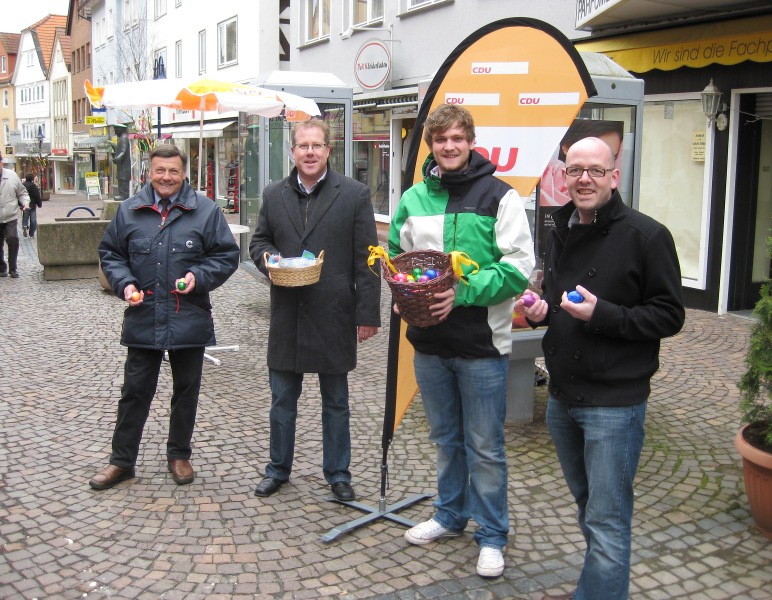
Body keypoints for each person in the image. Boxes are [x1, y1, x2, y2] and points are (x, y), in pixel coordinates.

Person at [516, 137, 685, 600]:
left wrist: (603, 314)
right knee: (590, 508)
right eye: (575, 170)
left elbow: (670, 316)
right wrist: (542, 309)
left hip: (614, 404)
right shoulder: (562, 228)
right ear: (563, 176)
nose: (584, 179)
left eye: (594, 170)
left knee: (607, 520)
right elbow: (562, 302)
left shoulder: (647, 236)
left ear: (614, 177)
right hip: (562, 397)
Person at [389, 104, 535, 578]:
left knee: (485, 444)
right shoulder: (413, 198)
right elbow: (395, 256)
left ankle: (492, 534)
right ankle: (450, 515)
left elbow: (518, 267)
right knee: (446, 439)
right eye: (440, 139)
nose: (448, 146)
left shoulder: (500, 196)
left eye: (457, 137)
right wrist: (398, 289)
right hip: (429, 344)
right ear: (430, 144)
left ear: (471, 140)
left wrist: (463, 291)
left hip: (481, 347)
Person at [91, 144, 239, 490]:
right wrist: (125, 284)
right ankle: (121, 461)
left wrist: (198, 277)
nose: (166, 177)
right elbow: (111, 254)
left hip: (188, 316)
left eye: (173, 171)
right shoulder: (130, 210)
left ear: (183, 173)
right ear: (149, 171)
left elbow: (226, 255)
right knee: (134, 391)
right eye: (160, 170)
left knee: (186, 391)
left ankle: (179, 455)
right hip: (143, 315)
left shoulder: (205, 211)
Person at [248, 118, 381, 502]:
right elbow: (259, 242)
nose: (309, 152)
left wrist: (367, 315)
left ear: (328, 150)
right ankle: (278, 469)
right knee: (281, 400)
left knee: (336, 403)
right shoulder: (274, 194)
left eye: (317, 146)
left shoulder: (354, 194)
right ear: (292, 151)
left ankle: (338, 474)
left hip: (334, 313)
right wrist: (268, 258)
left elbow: (367, 260)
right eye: (303, 146)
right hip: (288, 313)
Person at [0, 153, 30, 279]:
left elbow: (22, 192)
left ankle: (13, 268)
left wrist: (25, 203)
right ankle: (2, 267)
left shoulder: (11, 176)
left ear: (1, 163)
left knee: (13, 239)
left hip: (10, 215)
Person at [112, 124, 132, 200]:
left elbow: (123, 151)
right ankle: (121, 194)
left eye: (116, 131)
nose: (115, 133)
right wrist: (114, 146)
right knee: (121, 178)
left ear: (119, 130)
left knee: (123, 179)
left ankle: (123, 195)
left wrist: (117, 159)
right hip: (122, 166)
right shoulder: (122, 138)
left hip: (124, 166)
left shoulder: (123, 138)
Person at [22, 173, 43, 239]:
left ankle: (25, 226)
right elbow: (37, 196)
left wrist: (20, 204)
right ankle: (31, 234)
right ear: (32, 179)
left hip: (25, 205)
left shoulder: (22, 185)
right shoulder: (34, 186)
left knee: (25, 218)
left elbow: (20, 195)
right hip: (32, 205)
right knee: (33, 220)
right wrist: (39, 204)